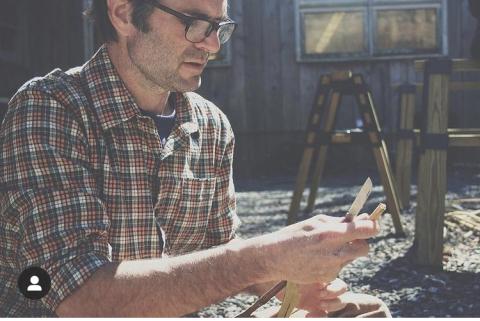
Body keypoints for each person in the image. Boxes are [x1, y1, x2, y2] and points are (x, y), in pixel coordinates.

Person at [0, 0, 391, 317]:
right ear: (122, 13)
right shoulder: (50, 108)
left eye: (218, 27)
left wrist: (288, 278)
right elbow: (80, 299)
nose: (212, 45)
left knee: (367, 311)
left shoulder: (211, 125)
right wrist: (261, 257)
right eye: (194, 22)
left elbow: (220, 246)